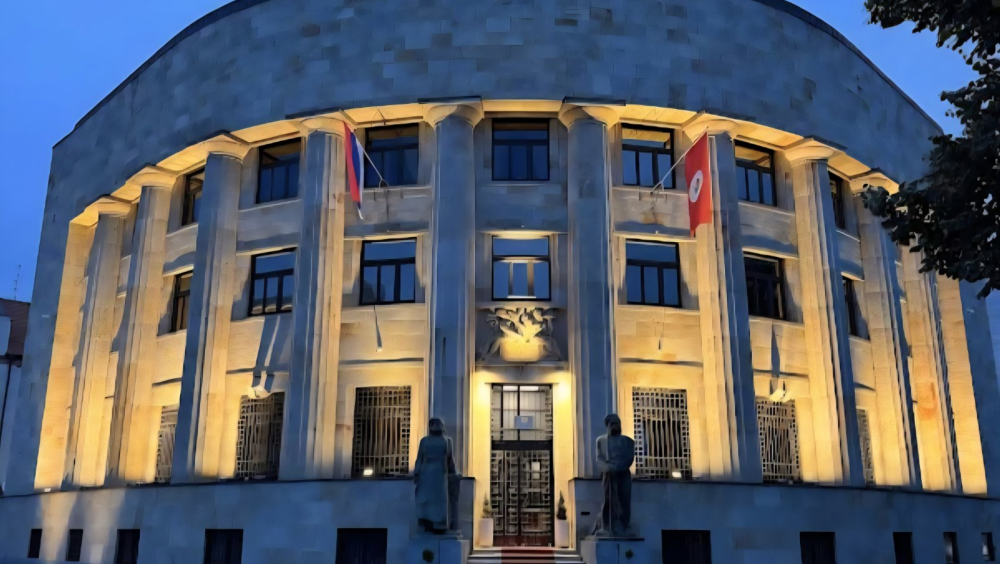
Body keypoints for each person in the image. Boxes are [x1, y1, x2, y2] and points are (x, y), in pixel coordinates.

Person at [593, 413, 636, 537]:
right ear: (608, 426)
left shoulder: (627, 441)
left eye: (616, 423)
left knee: (624, 499)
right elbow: (599, 459)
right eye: (612, 424)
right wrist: (607, 468)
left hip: (623, 475)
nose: (615, 426)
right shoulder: (601, 441)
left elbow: (629, 458)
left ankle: (624, 523)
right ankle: (608, 523)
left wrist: (617, 467)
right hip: (609, 476)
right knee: (609, 499)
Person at [413, 417, 457, 533]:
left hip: (440, 473)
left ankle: (440, 524)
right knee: (425, 498)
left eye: (438, 424)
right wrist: (416, 472)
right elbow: (419, 458)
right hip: (426, 472)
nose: (436, 426)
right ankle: (427, 523)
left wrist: (454, 473)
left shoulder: (447, 441)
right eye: (433, 424)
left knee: (440, 499)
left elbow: (450, 459)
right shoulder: (424, 441)